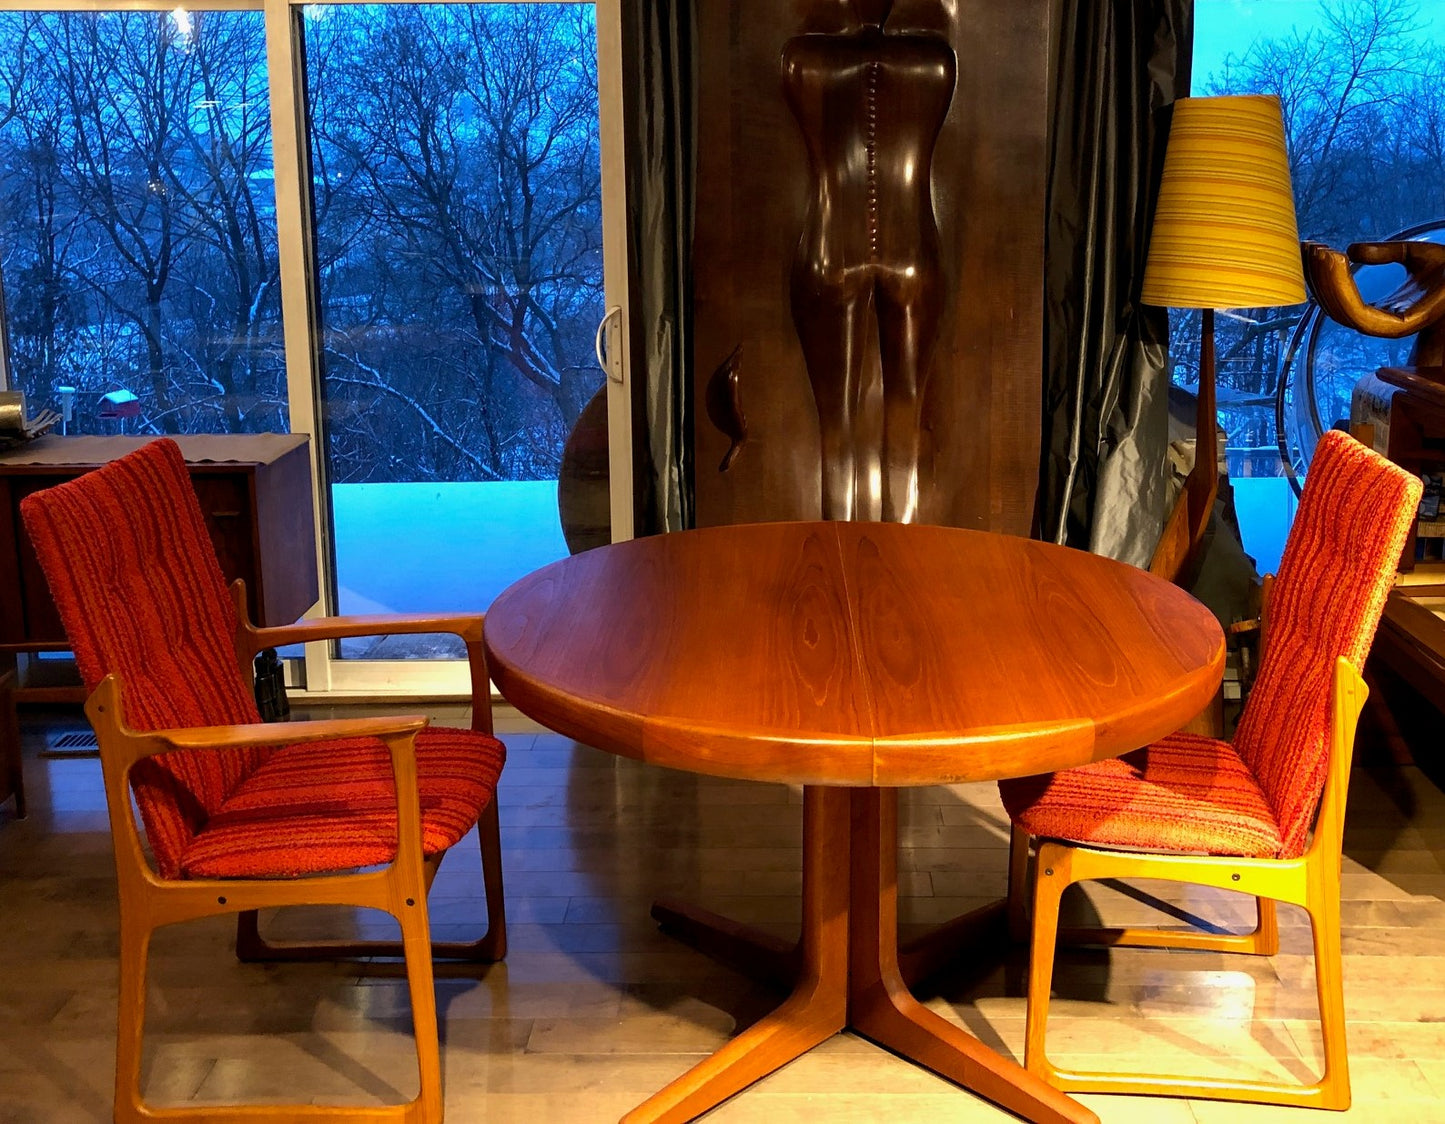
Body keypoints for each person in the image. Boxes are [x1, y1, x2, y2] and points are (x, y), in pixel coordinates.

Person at [783, 0, 956, 521]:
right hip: (913, 251)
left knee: (834, 429)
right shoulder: (935, 61)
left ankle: (839, 554)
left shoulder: (802, 58)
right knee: (905, 415)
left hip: (830, 245)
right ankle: (901, 551)